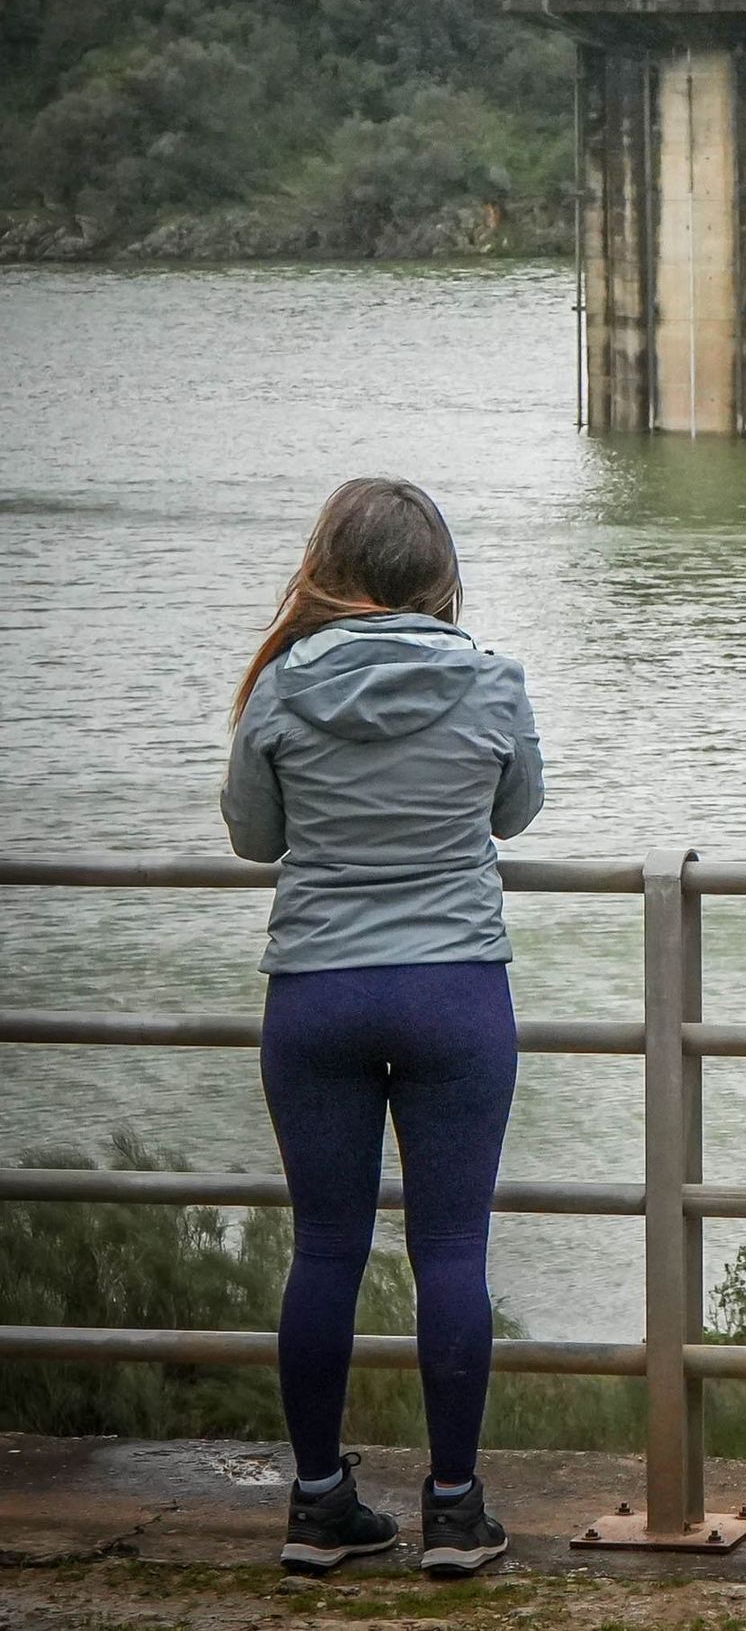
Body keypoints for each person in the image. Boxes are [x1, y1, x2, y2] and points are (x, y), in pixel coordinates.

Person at [222, 477, 543, 1579]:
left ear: (331, 568)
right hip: (455, 988)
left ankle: (318, 1507)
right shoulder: (491, 679)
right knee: (451, 1248)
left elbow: (250, 837)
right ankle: (454, 1512)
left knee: (324, 1247)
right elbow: (517, 812)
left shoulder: (280, 687)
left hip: (315, 991)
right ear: (438, 577)